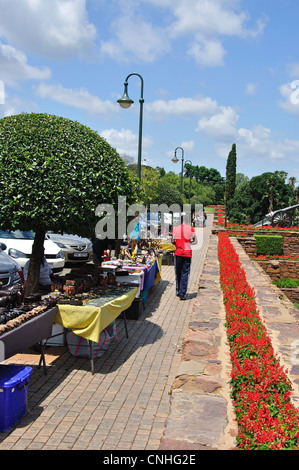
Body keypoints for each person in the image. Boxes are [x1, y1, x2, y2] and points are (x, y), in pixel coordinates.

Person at [171, 214, 197, 300]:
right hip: (187, 253)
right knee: (185, 273)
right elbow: (194, 240)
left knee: (178, 272)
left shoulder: (175, 229)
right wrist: (188, 242)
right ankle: (182, 293)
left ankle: (178, 290)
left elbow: (172, 240)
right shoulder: (191, 229)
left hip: (178, 252)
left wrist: (177, 244)